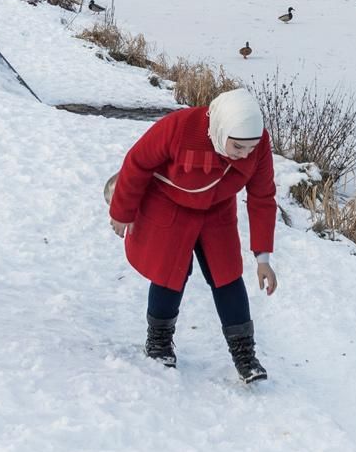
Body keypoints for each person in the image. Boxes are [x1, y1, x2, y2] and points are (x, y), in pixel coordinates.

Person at [108, 89, 276, 382]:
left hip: (217, 210)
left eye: (250, 148)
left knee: (227, 276)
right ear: (221, 130)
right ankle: (159, 342)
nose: (244, 155)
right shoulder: (179, 127)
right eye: (238, 147)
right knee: (169, 273)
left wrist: (263, 258)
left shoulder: (258, 144)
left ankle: (244, 354)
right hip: (169, 203)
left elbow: (262, 196)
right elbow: (138, 162)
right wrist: (123, 211)